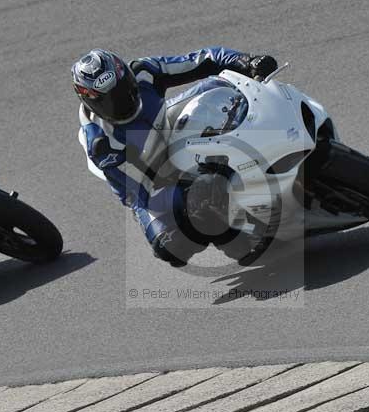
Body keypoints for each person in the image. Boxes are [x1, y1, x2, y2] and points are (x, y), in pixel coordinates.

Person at [72, 47, 277, 267]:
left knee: (224, 86)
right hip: (151, 182)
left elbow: (202, 60)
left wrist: (246, 61)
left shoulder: (143, 71)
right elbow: (139, 194)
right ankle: (236, 240)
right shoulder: (103, 144)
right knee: (173, 245)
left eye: (123, 90)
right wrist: (189, 193)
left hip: (165, 126)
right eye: (109, 100)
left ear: (128, 76)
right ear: (91, 103)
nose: (122, 102)